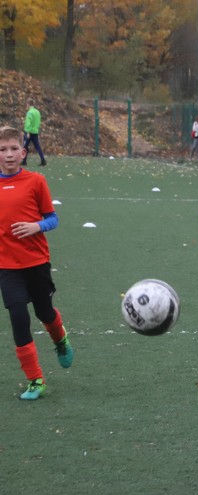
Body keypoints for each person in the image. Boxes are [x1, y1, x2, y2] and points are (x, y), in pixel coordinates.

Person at [0, 126, 73, 400]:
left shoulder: (35, 181)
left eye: (13, 149)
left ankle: (60, 339)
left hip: (36, 262)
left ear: (23, 152)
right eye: (2, 149)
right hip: (7, 267)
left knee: (45, 313)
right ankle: (35, 380)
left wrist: (36, 226)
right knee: (19, 318)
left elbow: (53, 218)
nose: (8, 155)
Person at [22, 99, 47, 167]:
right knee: (37, 146)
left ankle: (24, 161)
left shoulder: (30, 112)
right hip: (35, 132)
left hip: (29, 132)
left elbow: (28, 123)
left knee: (25, 146)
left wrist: (28, 132)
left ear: (28, 104)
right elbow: (38, 122)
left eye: (26, 104)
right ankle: (43, 160)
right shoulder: (37, 112)